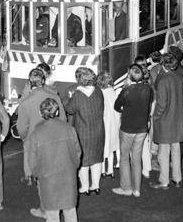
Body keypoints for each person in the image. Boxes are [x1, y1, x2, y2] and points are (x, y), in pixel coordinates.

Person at [27, 98, 81, 222]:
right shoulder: (69, 129)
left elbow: (32, 163)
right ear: (57, 112)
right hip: (68, 178)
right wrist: (73, 168)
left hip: (48, 181)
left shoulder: (35, 135)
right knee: (70, 214)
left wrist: (38, 175)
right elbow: (77, 154)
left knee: (52, 218)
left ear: (41, 113)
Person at [16, 68, 67, 191]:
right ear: (43, 80)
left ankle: (29, 176)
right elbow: (63, 118)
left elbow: (22, 127)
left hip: (32, 137)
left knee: (28, 151)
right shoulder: (54, 96)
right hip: (51, 135)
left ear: (30, 82)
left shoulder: (25, 102)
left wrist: (24, 138)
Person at [150, 54, 183, 190]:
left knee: (163, 153)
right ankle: (177, 179)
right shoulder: (181, 79)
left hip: (165, 122)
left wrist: (154, 116)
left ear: (163, 65)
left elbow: (161, 104)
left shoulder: (163, 80)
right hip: (178, 120)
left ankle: (164, 181)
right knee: (176, 151)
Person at [112, 64, 153, 197]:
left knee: (124, 158)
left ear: (130, 76)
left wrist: (125, 88)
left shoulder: (127, 90)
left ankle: (126, 188)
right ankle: (136, 189)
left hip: (127, 128)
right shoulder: (148, 89)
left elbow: (117, 106)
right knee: (136, 159)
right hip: (142, 129)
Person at [64, 67, 105, 195]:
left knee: (84, 160)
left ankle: (85, 187)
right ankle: (96, 185)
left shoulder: (77, 94)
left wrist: (66, 101)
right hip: (98, 130)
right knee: (96, 158)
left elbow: (70, 109)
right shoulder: (98, 91)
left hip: (83, 132)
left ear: (79, 79)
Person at [96, 71, 120, 178]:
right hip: (115, 123)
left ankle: (102, 170)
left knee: (103, 147)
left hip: (104, 123)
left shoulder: (100, 94)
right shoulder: (114, 92)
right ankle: (110, 170)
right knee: (111, 147)